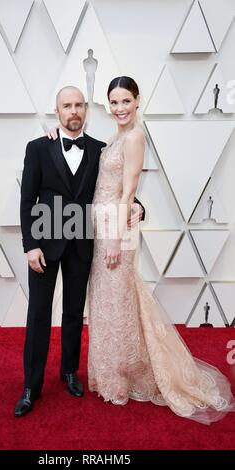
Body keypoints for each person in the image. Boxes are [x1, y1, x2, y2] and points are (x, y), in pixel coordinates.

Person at [87, 76, 235, 424]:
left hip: (115, 231)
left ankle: (125, 377)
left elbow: (127, 191)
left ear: (138, 100)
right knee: (112, 302)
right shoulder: (118, 135)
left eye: (126, 101)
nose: (119, 108)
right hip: (104, 228)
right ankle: (114, 373)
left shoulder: (135, 136)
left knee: (119, 301)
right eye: (114, 102)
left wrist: (114, 238)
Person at [15, 86, 145, 417]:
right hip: (45, 243)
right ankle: (32, 385)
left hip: (83, 243)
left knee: (74, 313)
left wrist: (139, 206)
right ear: (57, 112)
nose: (73, 111)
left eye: (78, 106)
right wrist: (30, 246)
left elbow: (115, 188)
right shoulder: (38, 148)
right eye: (66, 106)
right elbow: (28, 199)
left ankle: (70, 372)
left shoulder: (101, 150)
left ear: (86, 110)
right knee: (39, 314)